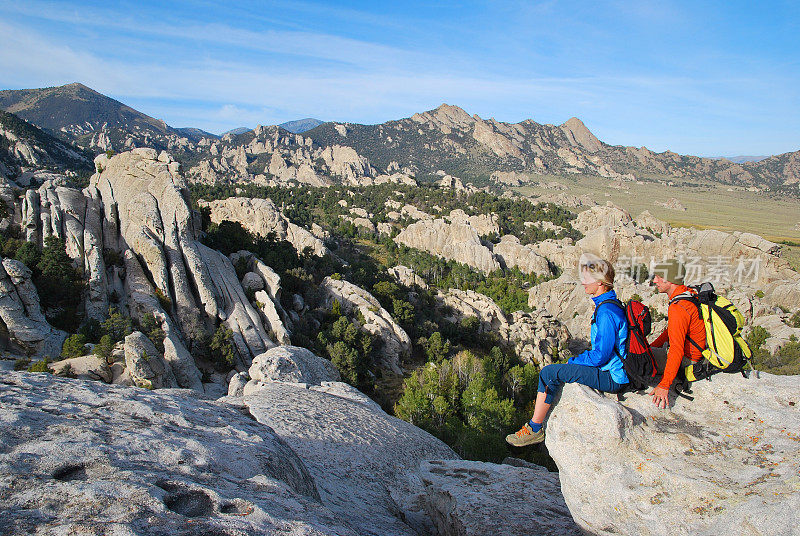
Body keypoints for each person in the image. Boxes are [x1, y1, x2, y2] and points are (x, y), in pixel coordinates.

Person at [506, 254, 629, 447]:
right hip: (612, 371)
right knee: (557, 371)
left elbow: (601, 355)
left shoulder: (606, 312)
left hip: (613, 377)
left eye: (588, 278)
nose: (583, 282)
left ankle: (534, 428)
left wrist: (574, 362)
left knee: (549, 373)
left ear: (600, 282)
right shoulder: (608, 305)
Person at [648, 259, 706, 409]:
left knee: (635, 358)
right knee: (645, 352)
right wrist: (651, 348)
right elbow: (670, 332)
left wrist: (664, 385)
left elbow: (676, 348)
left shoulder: (679, 307)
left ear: (670, 279)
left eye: (659, 277)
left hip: (688, 360)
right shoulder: (689, 294)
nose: (655, 281)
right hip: (696, 354)